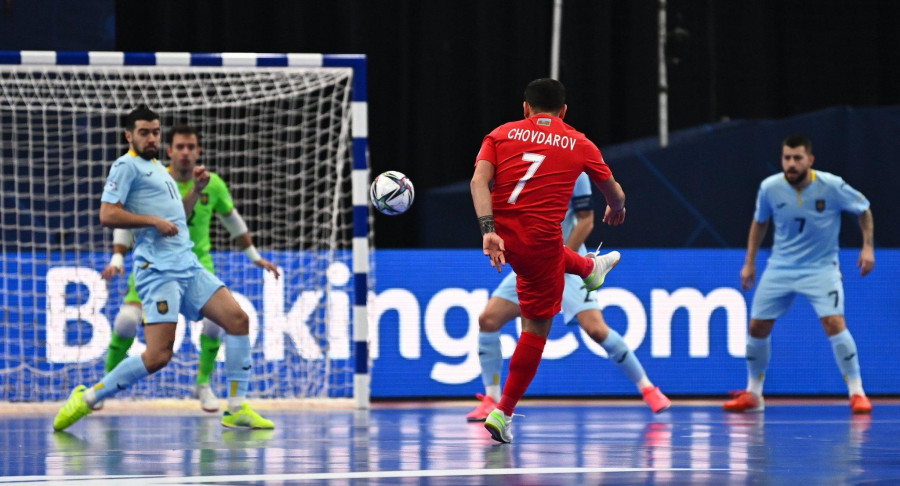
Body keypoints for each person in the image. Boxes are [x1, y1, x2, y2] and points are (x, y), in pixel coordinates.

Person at [53, 107, 274, 431]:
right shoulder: (126, 166)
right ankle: (87, 398)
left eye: (156, 131)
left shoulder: (158, 169)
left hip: (188, 265)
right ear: (130, 135)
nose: (152, 137)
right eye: (144, 132)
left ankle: (237, 408)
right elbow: (107, 214)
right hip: (158, 271)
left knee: (239, 320)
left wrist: (196, 192)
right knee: (158, 356)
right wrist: (150, 222)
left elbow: (177, 220)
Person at [471, 78, 627, 443]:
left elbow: (479, 182)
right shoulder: (579, 142)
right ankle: (503, 411)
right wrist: (617, 207)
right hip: (540, 246)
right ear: (564, 111)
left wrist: (487, 230)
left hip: (506, 240)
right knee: (535, 332)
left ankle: (590, 268)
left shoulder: (500, 134)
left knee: (551, 262)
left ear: (525, 108)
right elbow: (613, 191)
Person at [99, 124, 280, 413]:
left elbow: (233, 221)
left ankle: (204, 384)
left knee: (220, 322)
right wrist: (117, 258)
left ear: (198, 151)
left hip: (197, 267)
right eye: (179, 147)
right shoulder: (153, 179)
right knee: (126, 322)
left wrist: (255, 256)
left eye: (190, 147)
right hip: (156, 268)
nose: (185, 152)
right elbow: (124, 218)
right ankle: (105, 385)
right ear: (169, 151)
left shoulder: (214, 184)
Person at [467, 173, 670, 422]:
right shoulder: (526, 168)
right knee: (488, 319)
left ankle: (648, 388)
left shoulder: (576, 173)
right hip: (535, 264)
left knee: (597, 329)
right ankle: (491, 399)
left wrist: (563, 260)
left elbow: (586, 222)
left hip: (570, 262)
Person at [724, 134, 875, 414]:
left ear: (810, 160)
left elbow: (864, 210)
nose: (791, 164)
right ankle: (754, 394)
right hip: (780, 266)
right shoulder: (770, 188)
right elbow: (759, 224)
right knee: (757, 327)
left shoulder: (832, 185)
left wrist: (868, 247)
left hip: (821, 268)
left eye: (797, 158)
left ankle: (857, 393)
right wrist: (750, 263)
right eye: (786, 158)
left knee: (834, 323)